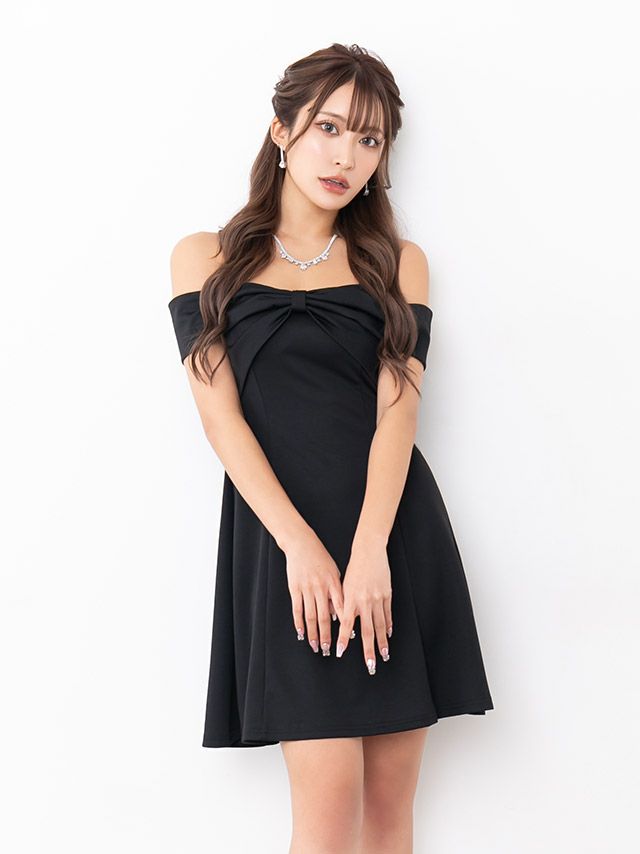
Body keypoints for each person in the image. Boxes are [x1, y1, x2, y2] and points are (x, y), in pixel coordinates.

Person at [168, 42, 493, 854]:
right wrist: (303, 549)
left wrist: (371, 550)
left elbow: (399, 417)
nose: (347, 155)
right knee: (327, 809)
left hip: (393, 540)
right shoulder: (204, 257)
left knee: (387, 813)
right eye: (329, 128)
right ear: (282, 131)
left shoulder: (398, 265)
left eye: (370, 139)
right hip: (285, 548)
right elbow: (220, 420)